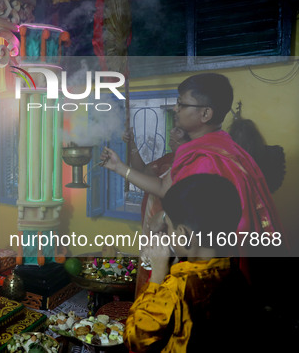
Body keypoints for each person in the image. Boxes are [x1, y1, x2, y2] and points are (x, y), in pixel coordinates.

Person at [101, 73, 283, 251]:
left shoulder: (206, 159)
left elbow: (195, 217)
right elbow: (163, 186)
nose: (175, 109)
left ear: (205, 113)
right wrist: (118, 166)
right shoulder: (213, 147)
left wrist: (163, 218)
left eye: (181, 103)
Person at [124, 174, 255, 353]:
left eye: (169, 227)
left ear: (184, 235)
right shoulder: (234, 272)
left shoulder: (175, 287)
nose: (167, 233)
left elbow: (136, 339)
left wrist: (157, 276)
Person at [123, 126, 190, 298]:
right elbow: (142, 171)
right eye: (173, 128)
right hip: (152, 223)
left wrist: (118, 167)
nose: (172, 131)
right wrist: (132, 145)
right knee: (148, 265)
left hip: (170, 229)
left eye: (178, 130)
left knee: (164, 274)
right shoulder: (168, 158)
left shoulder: (191, 163)